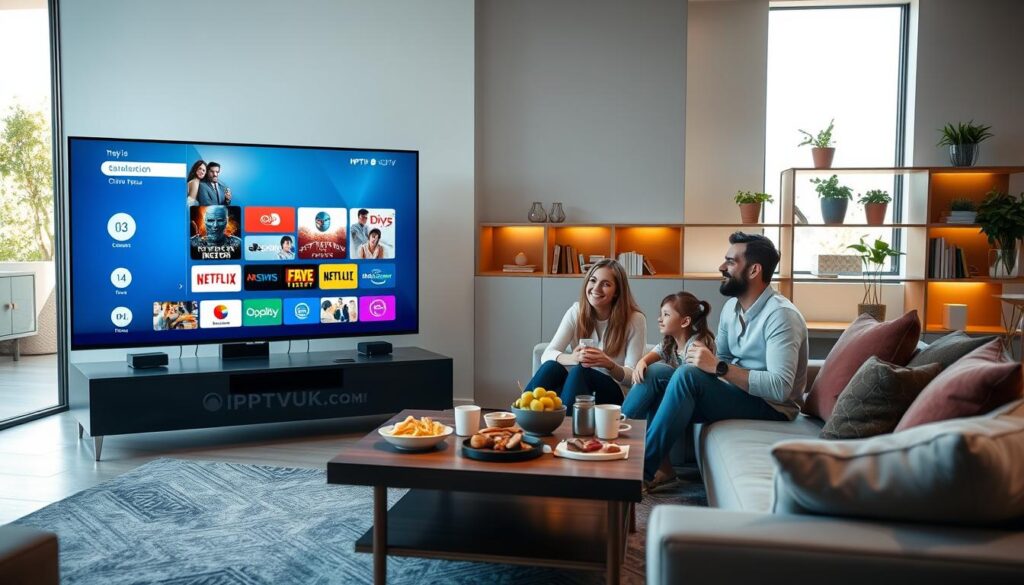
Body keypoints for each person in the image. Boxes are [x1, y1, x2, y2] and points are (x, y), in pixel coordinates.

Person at [641, 232, 808, 492]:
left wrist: (717, 368)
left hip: (772, 407)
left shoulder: (781, 316)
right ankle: (618, 448)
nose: (722, 267)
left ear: (754, 270)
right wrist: (705, 362)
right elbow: (726, 359)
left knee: (687, 377)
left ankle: (639, 473)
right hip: (738, 392)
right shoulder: (732, 308)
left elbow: (781, 388)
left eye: (730, 261)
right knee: (657, 374)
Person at [525, 259, 647, 407]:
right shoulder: (576, 312)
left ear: (617, 292)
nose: (596, 288)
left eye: (606, 284)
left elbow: (632, 377)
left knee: (580, 372)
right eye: (593, 281)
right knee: (551, 367)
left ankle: (567, 427)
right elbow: (547, 354)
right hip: (577, 388)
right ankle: (522, 418)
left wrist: (610, 365)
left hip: (613, 394)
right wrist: (573, 358)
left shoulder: (635, 319)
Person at [623, 291, 715, 486]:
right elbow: (653, 355)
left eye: (666, 314)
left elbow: (689, 381)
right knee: (651, 373)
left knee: (656, 373)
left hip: (695, 399)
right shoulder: (670, 343)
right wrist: (641, 363)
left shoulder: (696, 346)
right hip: (679, 395)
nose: (659, 318)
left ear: (684, 322)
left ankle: (618, 433)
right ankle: (663, 468)